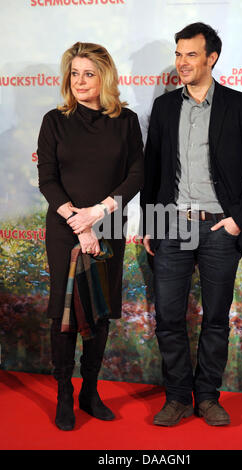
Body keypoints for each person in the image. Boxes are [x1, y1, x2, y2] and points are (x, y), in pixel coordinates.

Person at [141, 22, 242, 427]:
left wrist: (238, 220)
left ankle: (208, 398)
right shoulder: (164, 107)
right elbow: (152, 171)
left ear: (211, 58)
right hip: (172, 224)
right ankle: (178, 397)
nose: (181, 62)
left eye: (191, 54)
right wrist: (150, 221)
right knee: (168, 317)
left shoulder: (240, 106)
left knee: (216, 319)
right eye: (178, 54)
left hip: (220, 228)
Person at [37, 42, 143, 431]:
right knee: (64, 315)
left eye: (89, 73)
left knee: (99, 310)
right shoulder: (54, 120)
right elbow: (47, 178)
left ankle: (90, 390)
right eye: (75, 73)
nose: (80, 81)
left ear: (105, 77)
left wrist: (98, 214)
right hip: (64, 230)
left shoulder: (125, 121)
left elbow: (136, 175)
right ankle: (65, 393)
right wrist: (77, 222)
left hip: (109, 225)